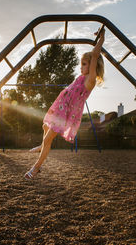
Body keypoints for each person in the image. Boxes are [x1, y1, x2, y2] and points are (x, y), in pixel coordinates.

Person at [25, 28, 105, 180]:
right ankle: (42, 146)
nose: (81, 67)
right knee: (44, 126)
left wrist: (102, 38)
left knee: (48, 138)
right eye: (81, 64)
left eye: (84, 64)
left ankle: (36, 168)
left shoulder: (90, 80)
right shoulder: (80, 77)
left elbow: (95, 55)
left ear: (92, 66)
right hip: (59, 108)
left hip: (66, 114)